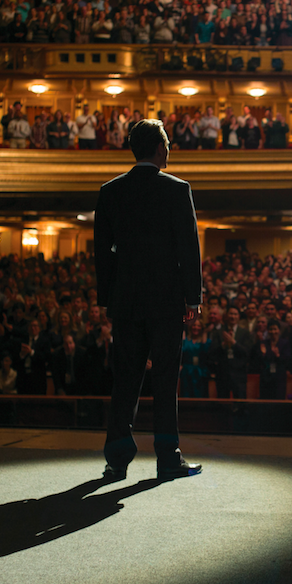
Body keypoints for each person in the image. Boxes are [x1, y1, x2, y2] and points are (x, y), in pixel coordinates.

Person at [95, 118, 203, 481]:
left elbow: (102, 252)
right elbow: (188, 247)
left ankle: (117, 458)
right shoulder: (177, 189)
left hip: (126, 300)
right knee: (165, 378)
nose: (169, 148)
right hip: (166, 300)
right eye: (168, 143)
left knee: (125, 379)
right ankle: (167, 457)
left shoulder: (110, 191)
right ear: (159, 148)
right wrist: (193, 298)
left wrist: (107, 298)